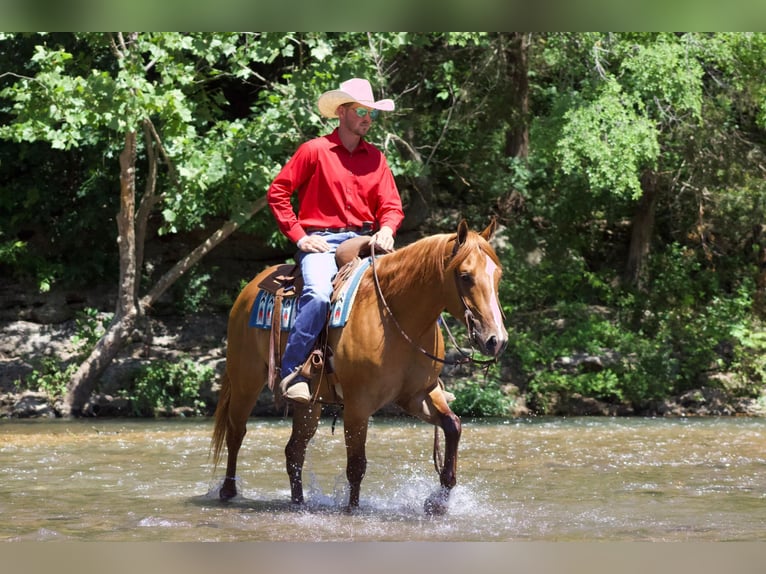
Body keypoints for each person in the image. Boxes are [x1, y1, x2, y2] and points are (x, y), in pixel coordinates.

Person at [267, 78, 405, 404]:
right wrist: (299, 237)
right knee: (317, 296)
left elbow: (391, 206)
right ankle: (294, 371)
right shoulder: (313, 150)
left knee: (416, 282)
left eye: (371, 113)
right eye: (361, 111)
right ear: (342, 112)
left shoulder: (377, 159)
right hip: (322, 242)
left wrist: (387, 229)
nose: (367, 118)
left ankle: (425, 376)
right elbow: (278, 193)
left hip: (365, 239)